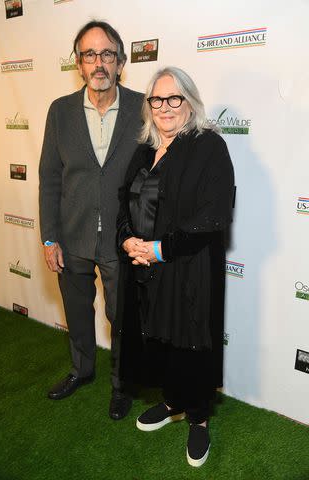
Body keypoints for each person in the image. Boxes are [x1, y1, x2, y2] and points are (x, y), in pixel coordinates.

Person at [116, 67, 234, 466]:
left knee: (190, 343)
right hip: (146, 270)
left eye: (174, 98)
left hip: (189, 270)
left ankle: (198, 419)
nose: (165, 107)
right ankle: (171, 403)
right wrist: (127, 239)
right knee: (159, 341)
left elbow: (213, 215)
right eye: (156, 99)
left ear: (190, 102)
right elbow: (124, 200)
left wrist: (160, 249)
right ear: (148, 106)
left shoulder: (209, 147)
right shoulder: (144, 149)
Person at [39, 20, 143, 420]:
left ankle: (122, 384)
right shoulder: (60, 112)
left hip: (124, 237)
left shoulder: (142, 106)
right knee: (78, 310)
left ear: (120, 61)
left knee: (122, 316)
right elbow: (49, 177)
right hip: (72, 233)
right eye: (89, 54)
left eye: (107, 54)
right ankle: (81, 370)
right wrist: (50, 238)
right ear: (78, 63)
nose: (98, 63)